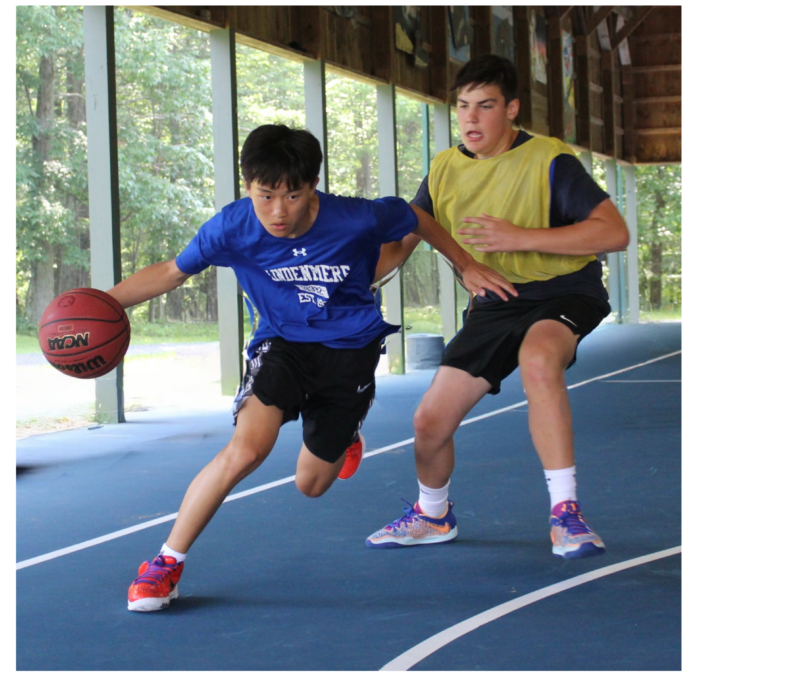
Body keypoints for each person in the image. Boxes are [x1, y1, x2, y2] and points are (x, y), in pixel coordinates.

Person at [108, 124, 515, 611]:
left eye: (293, 195)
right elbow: (171, 272)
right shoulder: (231, 227)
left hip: (349, 350)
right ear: (247, 185)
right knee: (246, 449)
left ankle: (347, 432)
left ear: (313, 186)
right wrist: (99, 304)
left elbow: (416, 218)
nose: (279, 211)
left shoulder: (355, 217)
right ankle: (165, 565)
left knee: (311, 484)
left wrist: (465, 264)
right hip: (281, 344)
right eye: (265, 196)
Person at [365, 55, 629, 559]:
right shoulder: (445, 167)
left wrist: (519, 236)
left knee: (538, 359)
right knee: (428, 422)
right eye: (463, 106)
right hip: (495, 302)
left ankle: (566, 516)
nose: (471, 117)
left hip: (564, 290)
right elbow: (404, 240)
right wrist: (354, 278)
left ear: (511, 110)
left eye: (485, 106)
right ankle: (432, 514)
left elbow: (614, 233)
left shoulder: (550, 159)